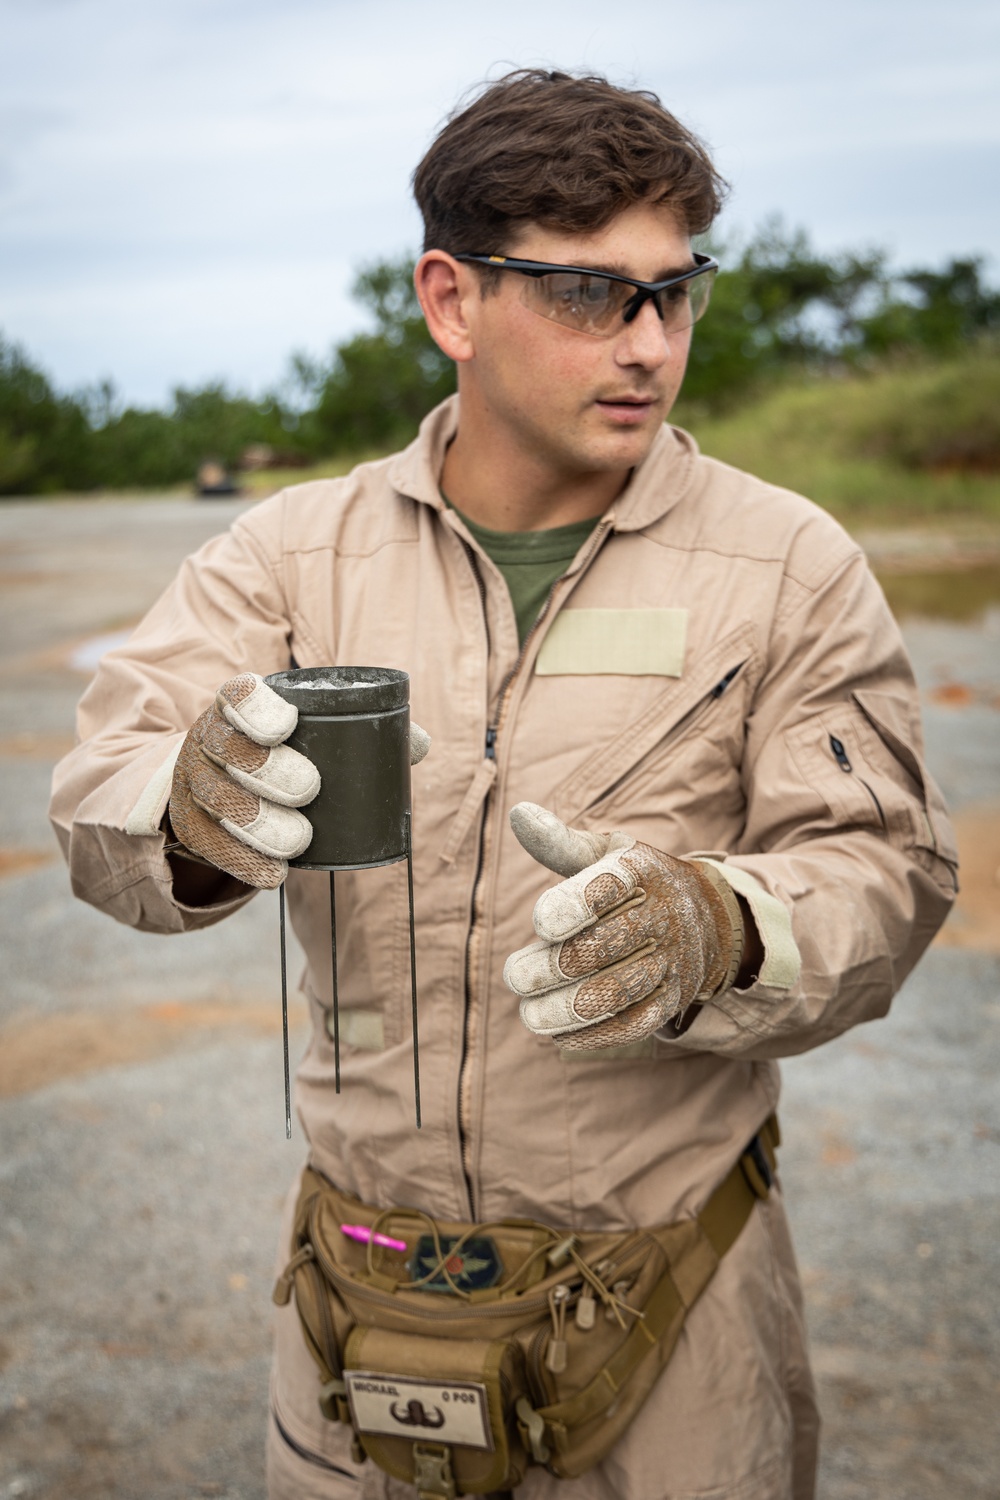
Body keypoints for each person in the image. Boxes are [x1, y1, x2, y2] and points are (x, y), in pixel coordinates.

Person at [50, 68, 957, 1500]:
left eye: (675, 291)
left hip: (672, 1325)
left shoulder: (788, 567)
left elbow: (885, 873)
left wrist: (720, 925)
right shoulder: (293, 558)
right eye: (591, 294)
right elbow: (103, 784)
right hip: (358, 1317)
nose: (650, 344)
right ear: (452, 302)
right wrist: (189, 809)